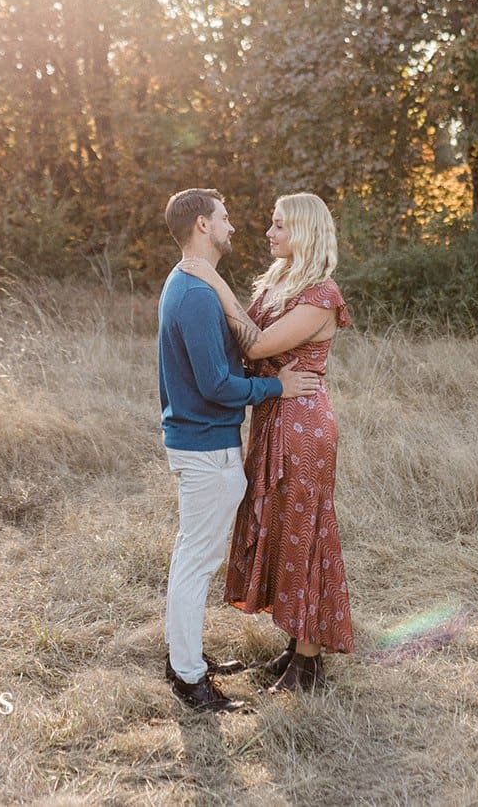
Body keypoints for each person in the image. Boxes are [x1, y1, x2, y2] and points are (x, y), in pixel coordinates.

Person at [177, 192, 354, 694]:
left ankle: (310, 664)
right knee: (280, 528)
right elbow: (243, 342)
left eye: (279, 226)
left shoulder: (321, 293)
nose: (269, 234)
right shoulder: (278, 283)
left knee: (306, 530)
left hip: (303, 423)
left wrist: (213, 282)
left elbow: (253, 344)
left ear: (303, 233)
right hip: (273, 413)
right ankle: (295, 649)